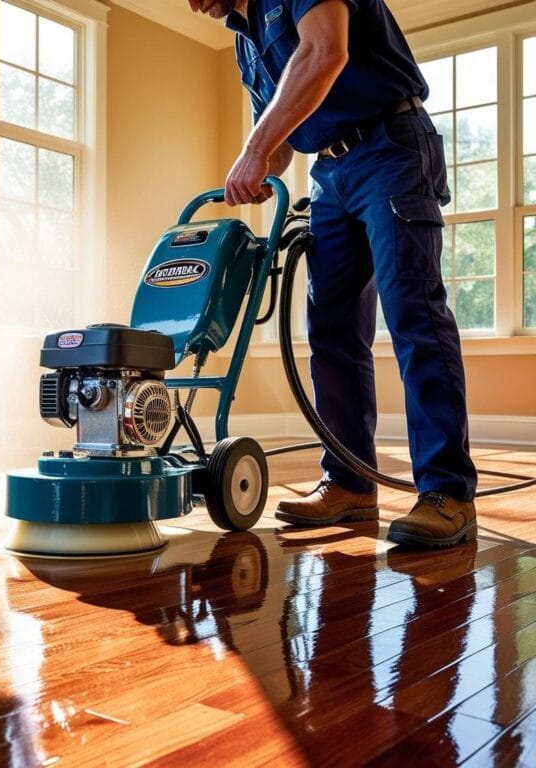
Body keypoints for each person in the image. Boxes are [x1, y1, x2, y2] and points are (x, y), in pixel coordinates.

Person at [187, 0, 478, 548]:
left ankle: (449, 494)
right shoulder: (243, 39)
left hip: (390, 145)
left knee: (413, 313)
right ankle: (350, 483)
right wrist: (252, 166)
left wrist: (254, 151)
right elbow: (273, 141)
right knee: (332, 332)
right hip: (330, 172)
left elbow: (326, 51)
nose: (190, 2)